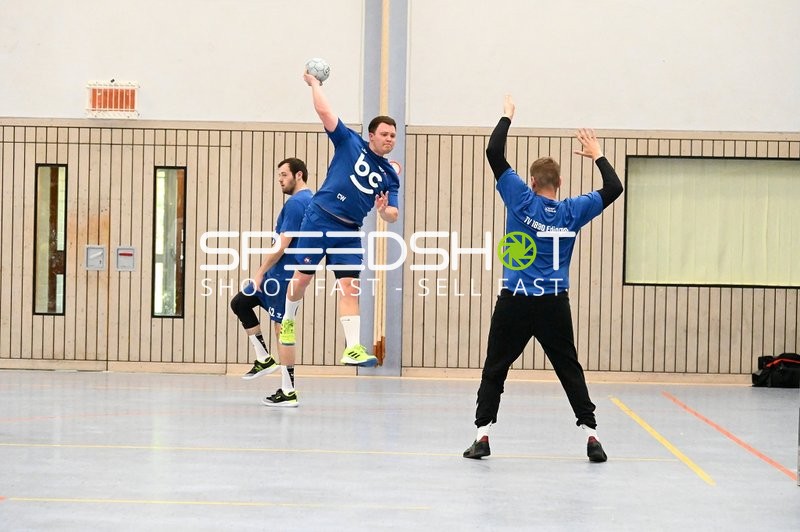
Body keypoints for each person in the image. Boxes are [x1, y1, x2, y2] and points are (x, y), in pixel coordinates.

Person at [463, 95, 623, 462]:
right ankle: (592, 436)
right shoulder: (573, 210)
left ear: (532, 181)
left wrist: (507, 116)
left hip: (515, 299)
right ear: (560, 182)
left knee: (495, 368)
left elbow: (493, 152)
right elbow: (614, 188)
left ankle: (482, 436)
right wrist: (598, 154)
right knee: (568, 368)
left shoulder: (521, 198)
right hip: (554, 302)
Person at [277, 69, 400, 367]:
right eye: (384, 134)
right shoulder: (349, 142)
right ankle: (288, 319)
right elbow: (325, 111)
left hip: (348, 231)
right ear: (371, 135)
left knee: (350, 287)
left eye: (393, 136)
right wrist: (314, 84)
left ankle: (353, 348)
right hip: (320, 218)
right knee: (302, 279)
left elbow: (393, 215)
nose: (389, 139)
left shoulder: (389, 175)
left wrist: (383, 210)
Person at [230, 158, 313, 407]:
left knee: (282, 329)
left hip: (282, 276)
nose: (280, 179)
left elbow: (282, 245)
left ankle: (288, 391)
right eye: (279, 175)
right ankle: (264, 358)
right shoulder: (307, 201)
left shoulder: (298, 202)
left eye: (284, 174)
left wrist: (259, 272)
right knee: (240, 303)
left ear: (299, 175)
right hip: (277, 274)